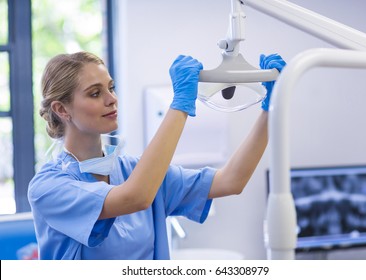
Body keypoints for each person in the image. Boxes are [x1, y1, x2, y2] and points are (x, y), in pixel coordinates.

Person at [28, 51, 286, 260]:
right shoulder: (48, 188)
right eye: (95, 93)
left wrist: (271, 108)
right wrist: (180, 105)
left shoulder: (133, 170)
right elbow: (135, 197)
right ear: (62, 109)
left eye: (111, 87)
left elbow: (232, 180)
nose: (112, 99)